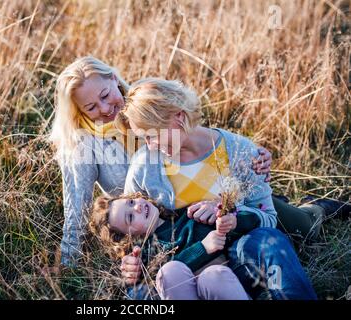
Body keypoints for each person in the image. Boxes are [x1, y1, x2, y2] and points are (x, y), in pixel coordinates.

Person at [113, 78, 327, 299]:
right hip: (179, 270)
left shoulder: (239, 152)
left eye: (152, 136)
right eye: (143, 138)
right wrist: (131, 261)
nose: (150, 146)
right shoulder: (144, 167)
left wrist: (228, 210)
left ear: (178, 117)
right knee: (138, 294)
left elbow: (269, 218)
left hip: (237, 261)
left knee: (269, 240)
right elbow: (131, 228)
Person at [49, 56, 273, 267]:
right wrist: (68, 264)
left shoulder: (143, 103)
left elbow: (193, 131)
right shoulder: (81, 145)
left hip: (209, 197)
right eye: (91, 107)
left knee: (279, 217)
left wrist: (252, 153)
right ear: (78, 111)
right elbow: (76, 208)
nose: (105, 109)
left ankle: (307, 215)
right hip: (154, 221)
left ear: (114, 79)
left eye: (106, 95)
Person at [90, 192, 256, 300]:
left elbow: (252, 225)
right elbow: (157, 282)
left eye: (131, 201)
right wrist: (202, 248)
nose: (137, 207)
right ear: (129, 237)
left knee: (212, 276)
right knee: (169, 271)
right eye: (130, 217)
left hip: (223, 285)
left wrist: (231, 221)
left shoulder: (191, 215)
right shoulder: (148, 253)